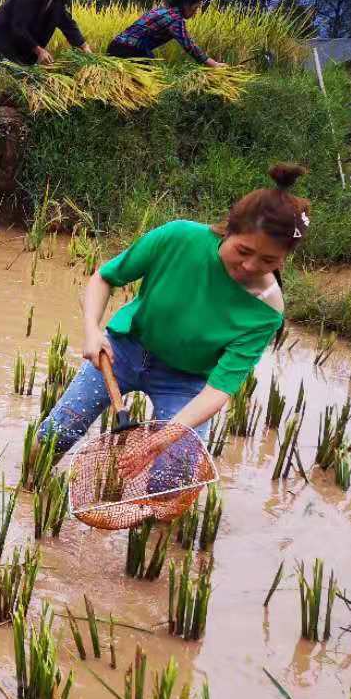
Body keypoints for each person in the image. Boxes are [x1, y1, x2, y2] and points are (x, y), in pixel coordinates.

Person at [37, 164, 310, 477]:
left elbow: (218, 390)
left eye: (268, 260)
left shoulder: (268, 310)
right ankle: (28, 490)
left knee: (173, 475)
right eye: (243, 250)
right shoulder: (178, 237)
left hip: (186, 380)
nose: (250, 265)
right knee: (56, 432)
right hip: (122, 351)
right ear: (228, 230)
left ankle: (157, 523)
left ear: (285, 258)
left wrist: (163, 438)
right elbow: (104, 277)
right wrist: (91, 330)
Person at [108, 0, 224, 66]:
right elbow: (189, 45)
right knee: (149, 83)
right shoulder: (175, 19)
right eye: (196, 8)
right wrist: (213, 64)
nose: (196, 12)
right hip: (130, 50)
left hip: (115, 46)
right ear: (186, 5)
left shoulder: (161, 11)